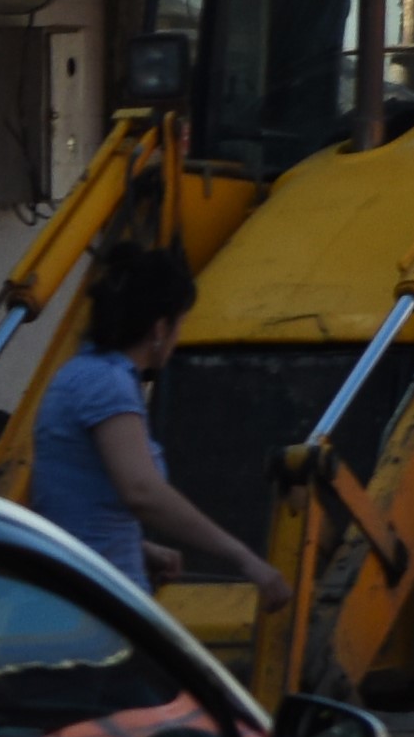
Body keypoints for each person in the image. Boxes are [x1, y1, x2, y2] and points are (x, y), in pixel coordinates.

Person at [23, 239, 280, 608]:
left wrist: (140, 549)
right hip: (101, 609)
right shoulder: (108, 385)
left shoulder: (77, 374)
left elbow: (74, 504)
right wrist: (246, 559)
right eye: (180, 325)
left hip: (73, 596)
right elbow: (141, 491)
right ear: (160, 329)